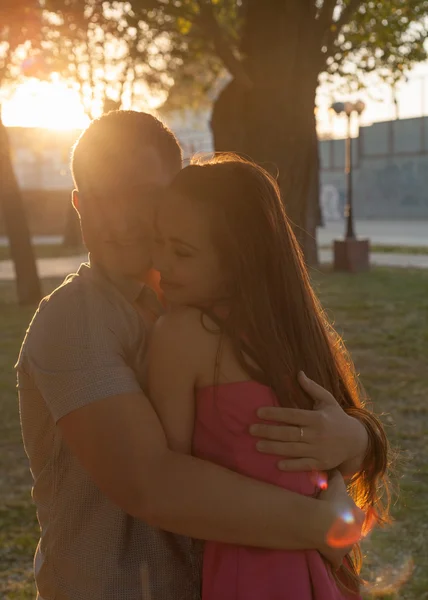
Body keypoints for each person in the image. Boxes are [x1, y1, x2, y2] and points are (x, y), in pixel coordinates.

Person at [17, 111, 374, 600]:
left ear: (175, 198)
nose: (119, 220)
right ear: (78, 203)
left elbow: (318, 419)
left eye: (141, 196)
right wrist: (325, 525)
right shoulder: (75, 322)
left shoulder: (227, 307)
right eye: (101, 197)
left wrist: (354, 439)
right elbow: (150, 482)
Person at [148, 155, 390, 599]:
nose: (159, 260)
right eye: (157, 240)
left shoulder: (181, 335)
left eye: (182, 251)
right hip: (320, 559)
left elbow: (171, 475)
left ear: (239, 261)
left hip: (251, 563)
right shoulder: (294, 334)